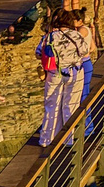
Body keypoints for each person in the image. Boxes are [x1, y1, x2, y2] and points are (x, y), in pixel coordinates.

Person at [36, 8, 91, 144]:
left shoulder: (49, 36)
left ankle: (47, 139)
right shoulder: (76, 35)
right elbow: (85, 51)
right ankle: (68, 140)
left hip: (54, 73)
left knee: (51, 105)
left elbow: (38, 53)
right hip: (75, 73)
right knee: (70, 106)